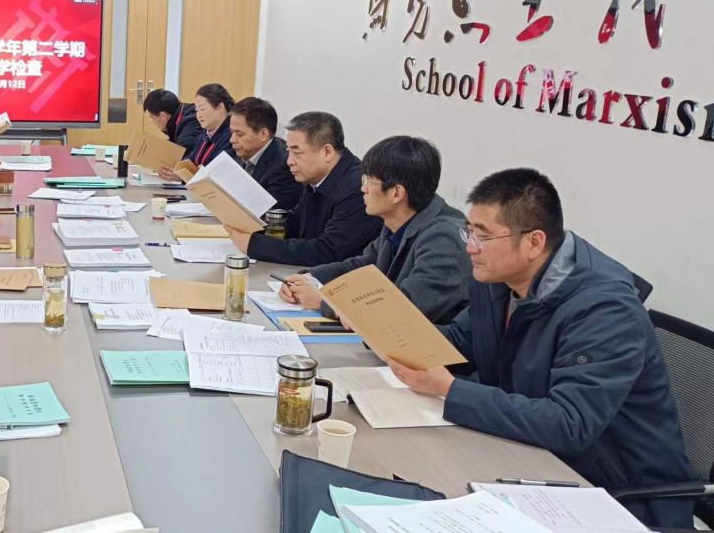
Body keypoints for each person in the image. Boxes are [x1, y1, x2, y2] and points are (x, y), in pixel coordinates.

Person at [384, 169, 692, 528]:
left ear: (533, 242)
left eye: (483, 236)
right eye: (469, 232)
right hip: (526, 455)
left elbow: (569, 423)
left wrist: (450, 390)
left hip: (616, 493)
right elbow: (461, 341)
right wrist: (386, 330)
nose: (470, 247)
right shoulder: (499, 280)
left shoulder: (606, 311)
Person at [278, 136, 469, 324]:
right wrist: (309, 277)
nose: (363, 189)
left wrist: (324, 302)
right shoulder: (398, 219)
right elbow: (362, 267)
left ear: (396, 193)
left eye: (369, 181)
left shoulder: (444, 239)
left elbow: (405, 310)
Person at [226, 111, 381, 266]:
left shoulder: (358, 188)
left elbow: (328, 252)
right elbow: (295, 223)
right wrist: (252, 227)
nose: (289, 161)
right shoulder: (316, 178)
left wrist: (254, 245)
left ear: (327, 152)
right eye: (288, 152)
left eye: (297, 153)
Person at [227, 97, 301, 211]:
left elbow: (270, 214)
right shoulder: (235, 153)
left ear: (263, 134)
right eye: (232, 132)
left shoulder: (284, 166)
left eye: (239, 134)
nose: (232, 140)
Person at [156, 83, 235, 180]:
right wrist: (178, 172)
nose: (199, 115)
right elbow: (191, 161)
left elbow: (216, 174)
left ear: (220, 107)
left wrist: (185, 177)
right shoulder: (204, 135)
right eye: (197, 110)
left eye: (202, 109)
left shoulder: (232, 137)